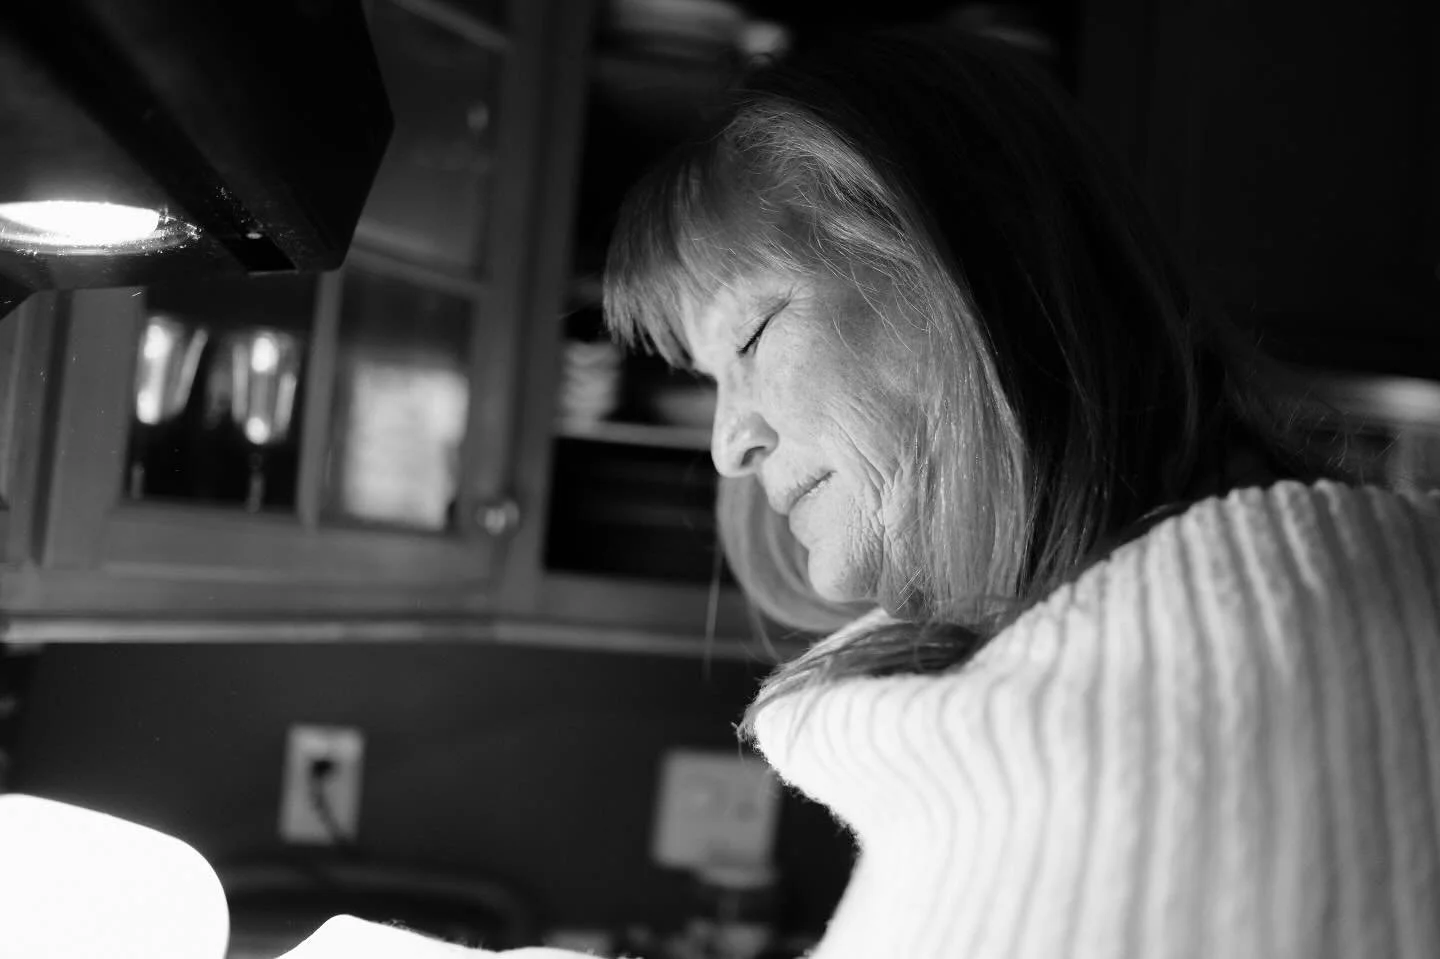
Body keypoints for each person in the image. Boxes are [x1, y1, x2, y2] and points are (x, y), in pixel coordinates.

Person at [287, 25, 1440, 959]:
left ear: (962, 266)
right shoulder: (1040, 654)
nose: (727, 445)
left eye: (755, 333)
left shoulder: (1276, 622)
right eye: (709, 379)